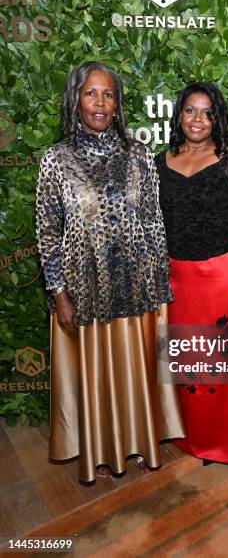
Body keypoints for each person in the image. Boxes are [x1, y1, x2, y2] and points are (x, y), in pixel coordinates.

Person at [36, 61, 184, 482]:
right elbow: (48, 232)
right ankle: (99, 451)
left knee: (133, 370)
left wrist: (159, 284)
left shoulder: (138, 155)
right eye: (90, 93)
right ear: (75, 100)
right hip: (85, 290)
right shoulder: (56, 161)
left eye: (108, 95)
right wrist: (59, 293)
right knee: (96, 375)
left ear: (118, 104)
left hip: (135, 285)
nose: (100, 103)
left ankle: (138, 442)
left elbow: (153, 221)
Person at [155, 82, 228, 465]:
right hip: (179, 282)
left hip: (223, 276)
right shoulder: (160, 162)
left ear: (216, 118)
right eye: (190, 110)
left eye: (206, 112)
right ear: (179, 115)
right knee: (189, 366)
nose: (198, 119)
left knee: (224, 368)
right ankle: (194, 438)